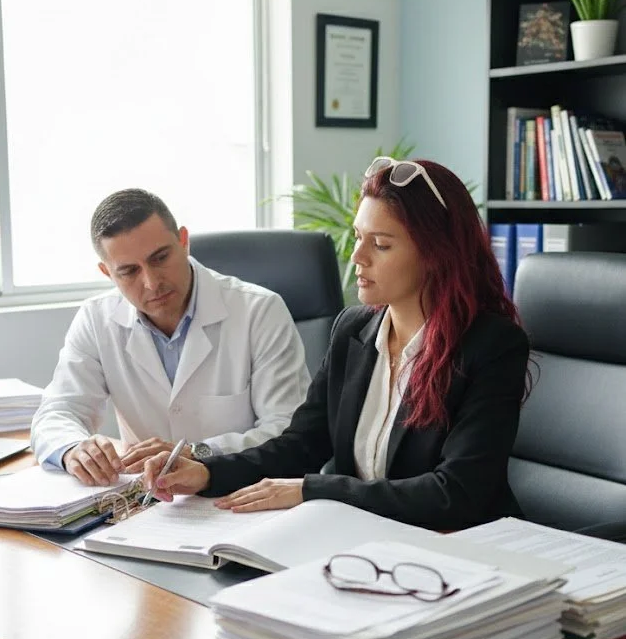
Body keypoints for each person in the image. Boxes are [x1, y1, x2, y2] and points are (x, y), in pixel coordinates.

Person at [142, 157, 531, 531]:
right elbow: (302, 445)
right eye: (359, 237)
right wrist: (209, 472)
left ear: (436, 255)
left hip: (460, 549)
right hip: (362, 539)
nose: (356, 256)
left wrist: (314, 490)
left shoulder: (491, 346)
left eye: (380, 244)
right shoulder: (353, 330)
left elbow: (456, 493)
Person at [31, 189, 311, 486]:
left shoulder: (260, 311)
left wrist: (195, 452)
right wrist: (74, 449)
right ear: (107, 272)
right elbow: (57, 412)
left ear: (183, 241)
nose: (151, 283)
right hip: (151, 503)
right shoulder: (96, 319)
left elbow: (286, 430)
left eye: (160, 258)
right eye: (128, 271)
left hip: (244, 490)